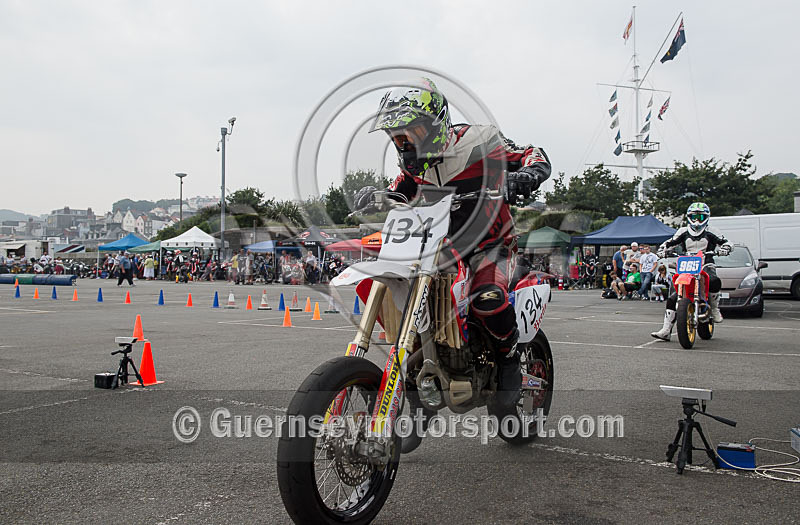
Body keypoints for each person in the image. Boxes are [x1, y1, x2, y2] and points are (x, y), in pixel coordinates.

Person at [357, 77, 551, 408]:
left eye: (409, 134)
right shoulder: (414, 168)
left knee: (487, 298)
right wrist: (376, 197)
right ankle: (423, 366)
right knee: (399, 293)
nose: (403, 144)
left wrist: (525, 175)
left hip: (490, 246)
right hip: (438, 250)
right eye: (396, 138)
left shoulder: (481, 142)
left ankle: (508, 361)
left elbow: (532, 154)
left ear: (434, 125)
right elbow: (400, 190)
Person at [651, 202, 732, 341]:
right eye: (694, 216)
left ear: (706, 217)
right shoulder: (682, 231)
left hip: (706, 263)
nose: (696, 220)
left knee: (713, 280)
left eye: (700, 217)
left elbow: (726, 242)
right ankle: (666, 330)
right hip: (686, 264)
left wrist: (725, 249)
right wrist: (662, 250)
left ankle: (714, 308)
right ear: (688, 217)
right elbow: (669, 242)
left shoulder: (712, 230)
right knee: (673, 295)